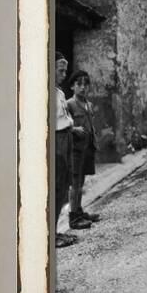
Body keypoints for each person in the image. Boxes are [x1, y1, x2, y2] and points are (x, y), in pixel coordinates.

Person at [55, 52, 91, 249]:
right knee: (58, 187)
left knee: (63, 186)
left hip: (66, 138)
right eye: (60, 70)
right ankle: (51, 234)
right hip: (57, 140)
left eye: (64, 70)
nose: (63, 74)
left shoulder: (58, 93)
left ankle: (55, 231)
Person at [66, 69, 101, 228]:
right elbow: (62, 125)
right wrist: (74, 130)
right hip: (76, 150)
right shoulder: (69, 104)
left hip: (87, 148)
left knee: (81, 182)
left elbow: (91, 124)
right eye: (78, 84)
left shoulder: (88, 104)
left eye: (86, 84)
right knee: (75, 184)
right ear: (72, 87)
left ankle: (79, 211)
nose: (83, 87)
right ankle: (73, 218)